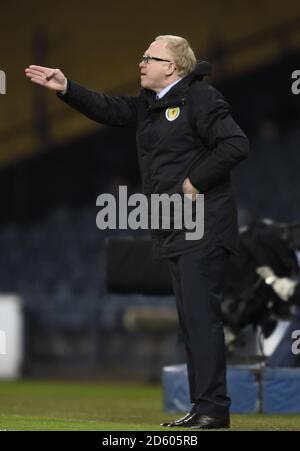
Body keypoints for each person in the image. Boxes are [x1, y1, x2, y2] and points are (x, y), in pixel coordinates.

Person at [25, 35, 249, 429]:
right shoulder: (152, 105)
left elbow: (235, 144)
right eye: (142, 56)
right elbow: (111, 109)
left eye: (151, 57)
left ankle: (214, 410)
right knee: (191, 323)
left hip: (205, 227)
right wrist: (67, 88)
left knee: (201, 320)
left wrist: (195, 181)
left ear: (174, 67)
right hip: (176, 228)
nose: (141, 62)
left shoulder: (200, 97)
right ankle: (203, 408)